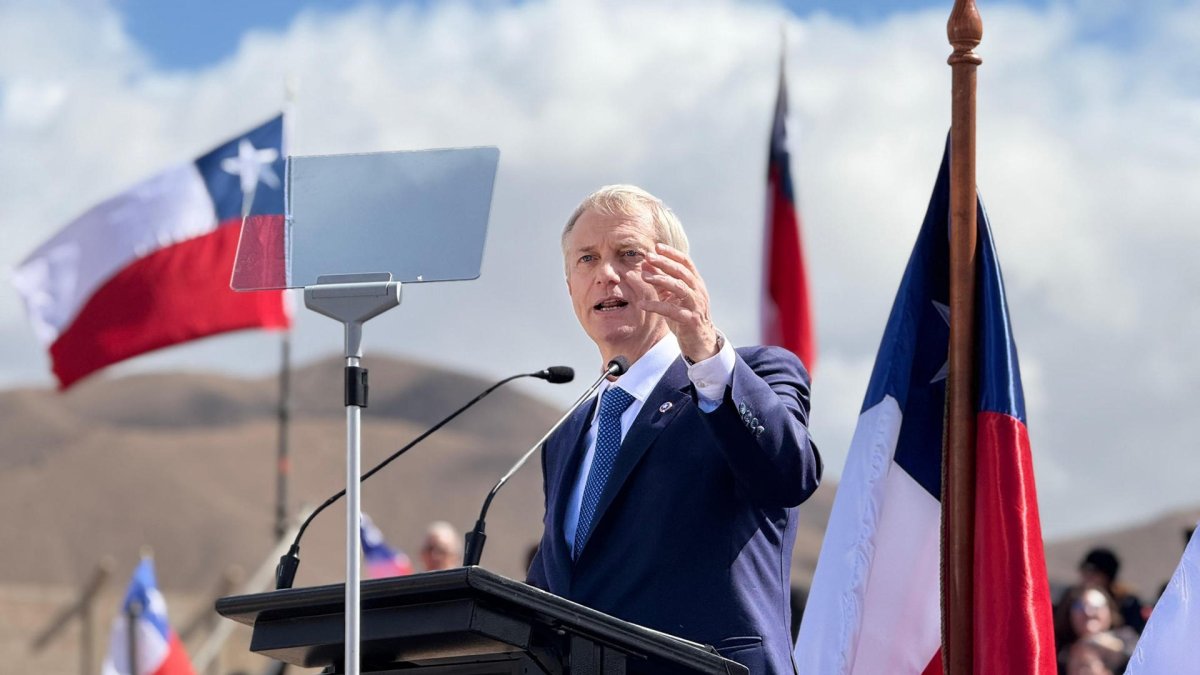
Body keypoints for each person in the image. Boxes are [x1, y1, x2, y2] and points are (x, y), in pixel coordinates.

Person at [525, 185, 822, 675]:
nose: (605, 274)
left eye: (628, 254)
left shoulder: (751, 374)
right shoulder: (568, 435)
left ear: (674, 273)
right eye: (587, 259)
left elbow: (790, 475)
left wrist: (705, 349)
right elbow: (562, 588)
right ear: (569, 286)